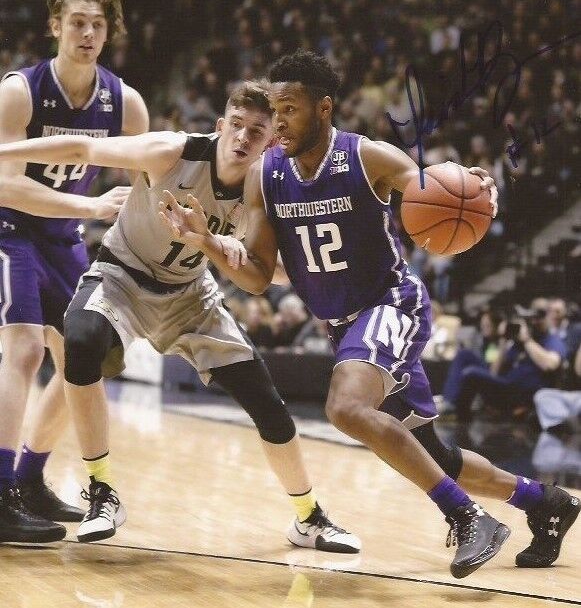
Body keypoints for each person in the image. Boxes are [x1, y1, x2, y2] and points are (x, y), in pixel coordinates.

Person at [161, 50, 580, 575]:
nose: (279, 122)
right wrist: (208, 244)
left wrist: (473, 186)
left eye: (289, 109)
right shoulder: (264, 176)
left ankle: (469, 518)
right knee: (437, 459)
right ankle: (545, 502)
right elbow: (258, 275)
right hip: (345, 328)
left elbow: (433, 187)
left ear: (324, 109)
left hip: (389, 303)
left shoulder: (368, 158)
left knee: (344, 409)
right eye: (275, 109)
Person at [0, 81, 359, 553]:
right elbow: (85, 147)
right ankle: (102, 490)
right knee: (81, 343)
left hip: (191, 297)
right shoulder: (171, 152)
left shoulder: (269, 191)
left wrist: (250, 258)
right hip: (121, 278)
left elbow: (270, 272)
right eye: (236, 125)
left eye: (257, 131)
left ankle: (308, 516)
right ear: (220, 126)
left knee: (266, 401)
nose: (243, 138)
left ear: (272, 140)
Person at [0, 0, 148, 545]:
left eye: (98, 25)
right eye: (77, 22)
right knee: (25, 348)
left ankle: (28, 479)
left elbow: (155, 180)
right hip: (9, 228)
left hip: (64, 239)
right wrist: (89, 205)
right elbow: (7, 187)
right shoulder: (20, 91)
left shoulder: (124, 102)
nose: (87, 34)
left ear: (110, 33)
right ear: (55, 26)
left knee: (85, 358)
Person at [454, 305, 567, 422]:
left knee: (471, 373)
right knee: (464, 355)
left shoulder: (551, 340)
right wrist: (504, 339)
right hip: (506, 388)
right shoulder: (516, 344)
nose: (534, 323)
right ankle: (452, 408)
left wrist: (527, 340)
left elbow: (550, 364)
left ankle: (461, 418)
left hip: (525, 394)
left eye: (537, 319)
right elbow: (494, 372)